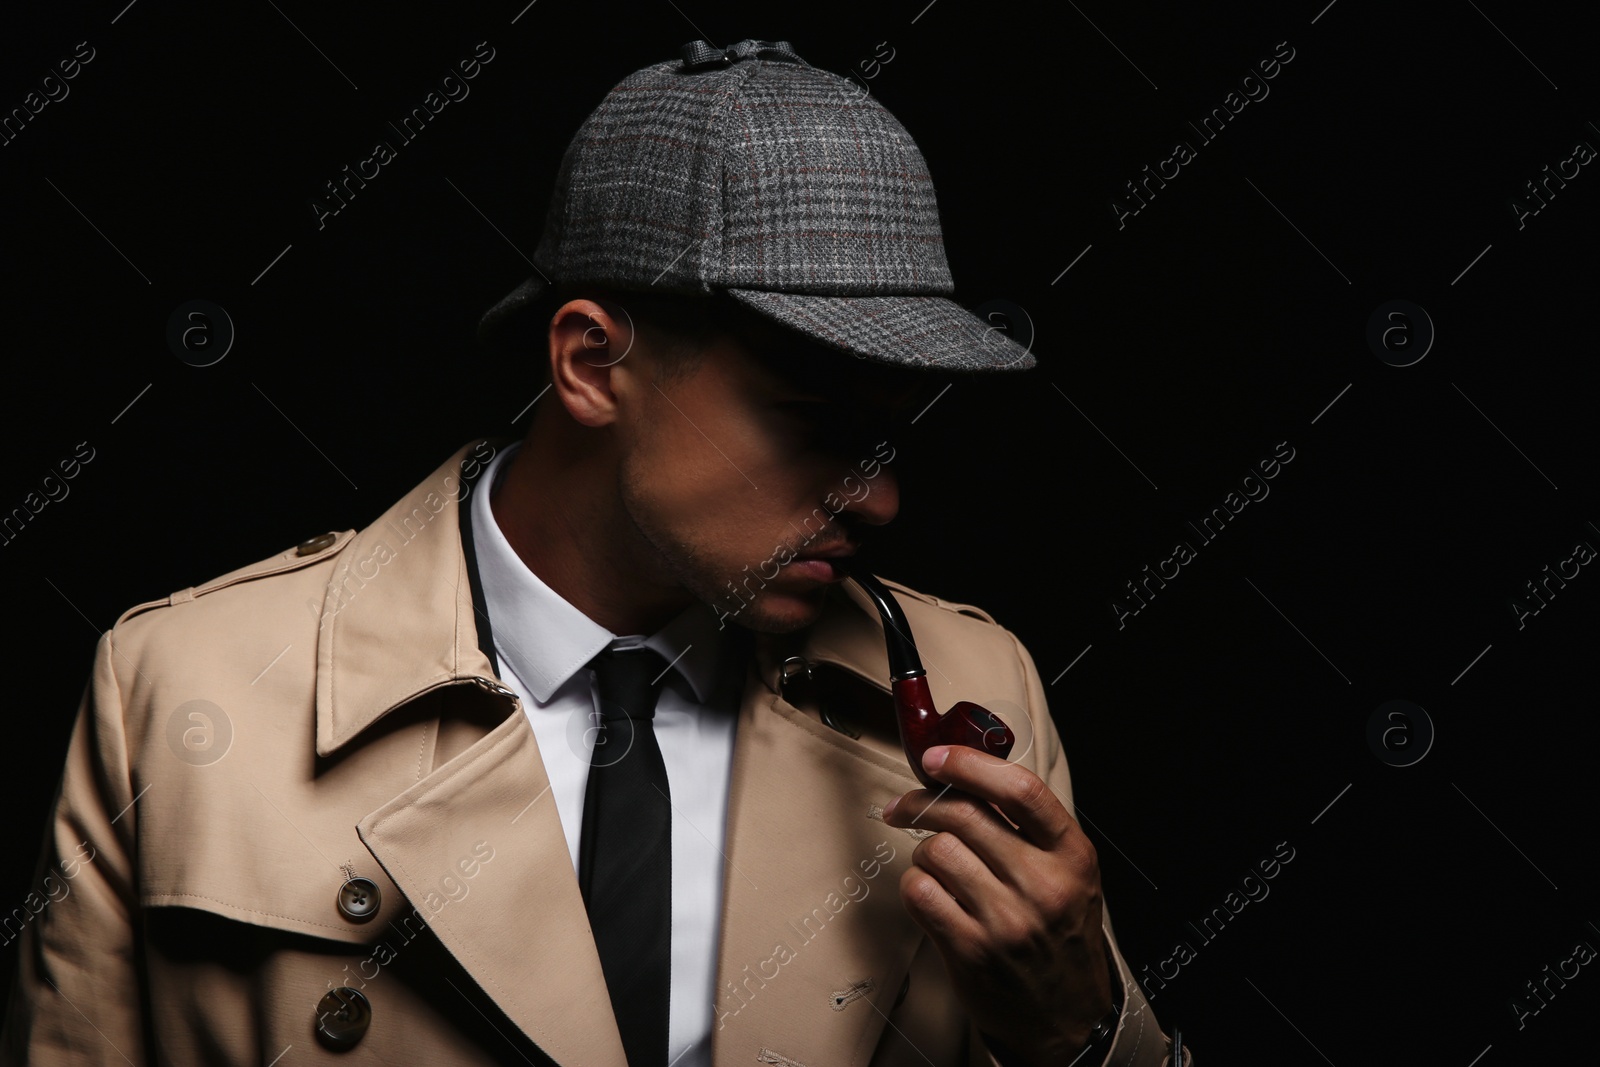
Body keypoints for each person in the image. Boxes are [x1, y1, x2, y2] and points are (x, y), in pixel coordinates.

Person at [1, 39, 1188, 1067]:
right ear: (586, 362)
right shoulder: (186, 689)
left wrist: (1079, 1032)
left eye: (892, 432)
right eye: (817, 423)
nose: (877, 496)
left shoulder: (977, 694)